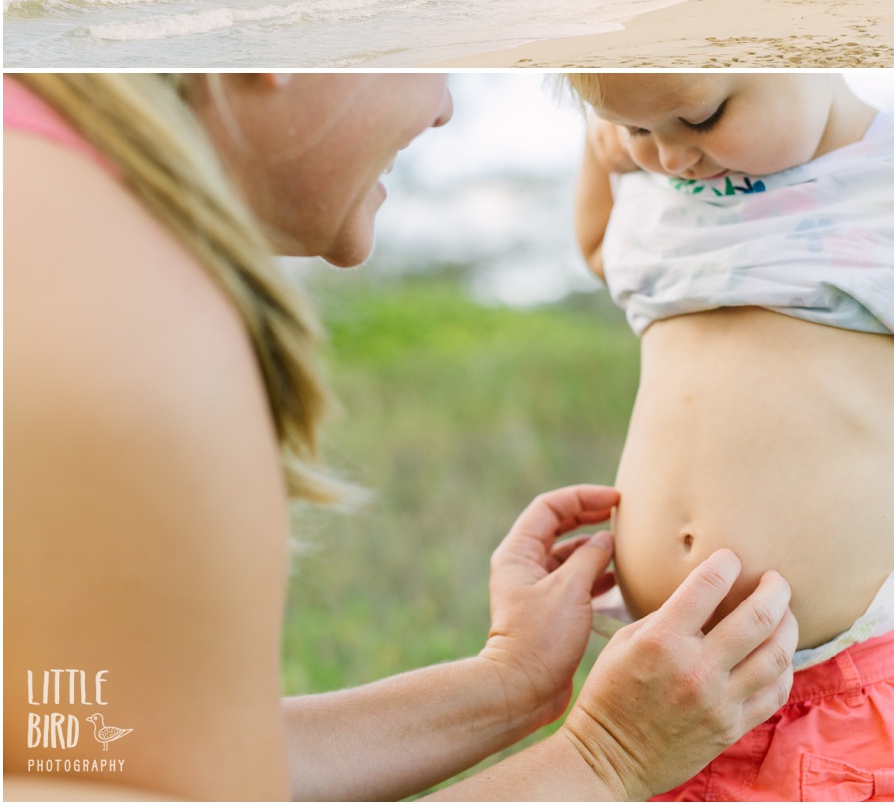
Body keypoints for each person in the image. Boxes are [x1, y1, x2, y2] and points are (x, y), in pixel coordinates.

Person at [5, 72, 799, 803]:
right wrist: (604, 758)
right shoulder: (117, 323)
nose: (443, 104)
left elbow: (98, 754)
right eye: (423, 47)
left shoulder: (49, 210)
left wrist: (510, 682)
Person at [568, 71, 894, 804]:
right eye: (639, 130)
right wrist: (605, 152)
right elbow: (601, 246)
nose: (671, 158)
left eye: (700, 116)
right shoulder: (667, 182)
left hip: (834, 709)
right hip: (661, 693)